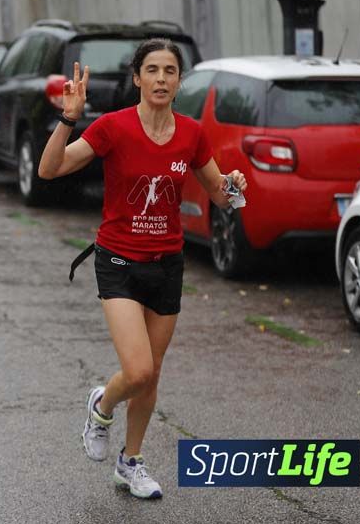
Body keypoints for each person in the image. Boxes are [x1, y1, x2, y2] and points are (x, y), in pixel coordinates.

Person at [37, 39, 248, 500]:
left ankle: (130, 462)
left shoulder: (191, 134)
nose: (160, 79)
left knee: (151, 375)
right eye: (151, 70)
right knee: (137, 370)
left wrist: (234, 186)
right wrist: (69, 117)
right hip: (117, 262)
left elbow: (219, 195)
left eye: (169, 71)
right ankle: (101, 404)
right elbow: (49, 169)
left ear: (178, 81)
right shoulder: (113, 127)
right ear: (137, 78)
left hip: (167, 265)